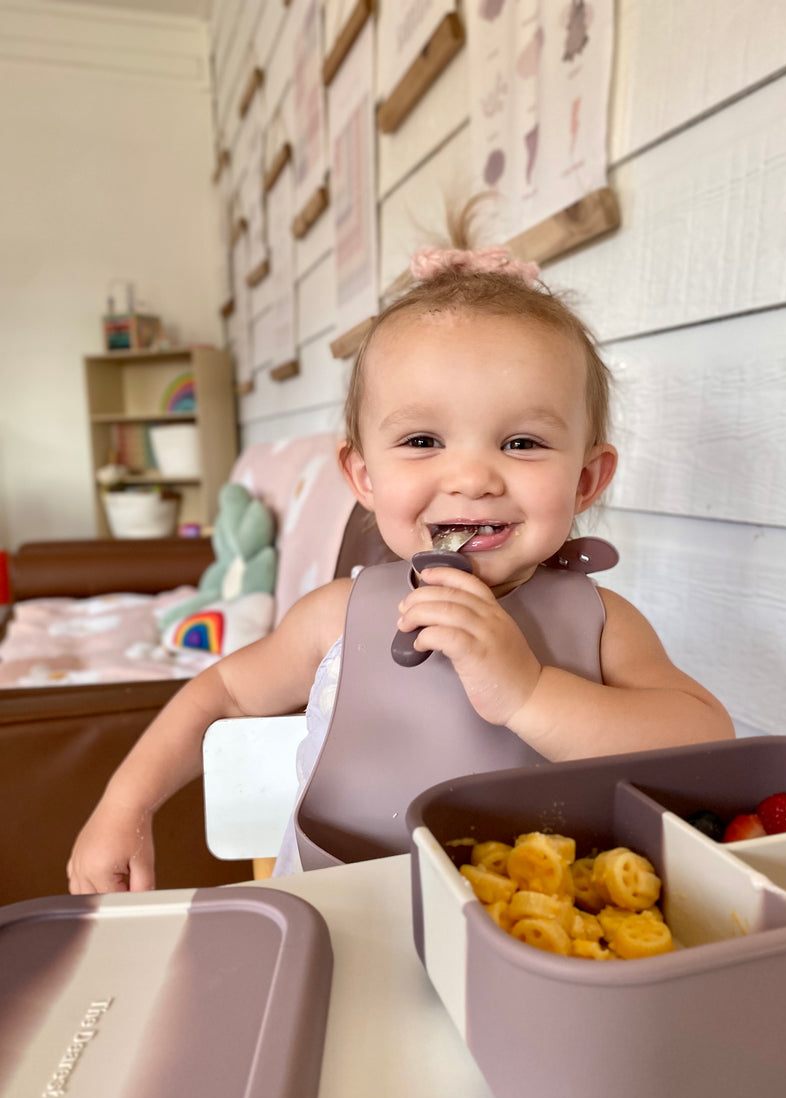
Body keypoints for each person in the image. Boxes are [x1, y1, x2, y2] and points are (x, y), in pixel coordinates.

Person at [67, 218, 733, 893]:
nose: (472, 478)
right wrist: (125, 806)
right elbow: (225, 695)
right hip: (342, 918)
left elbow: (707, 739)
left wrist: (528, 692)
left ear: (585, 480)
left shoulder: (601, 622)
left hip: (540, 936)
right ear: (363, 477)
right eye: (422, 440)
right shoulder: (339, 615)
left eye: (522, 443)